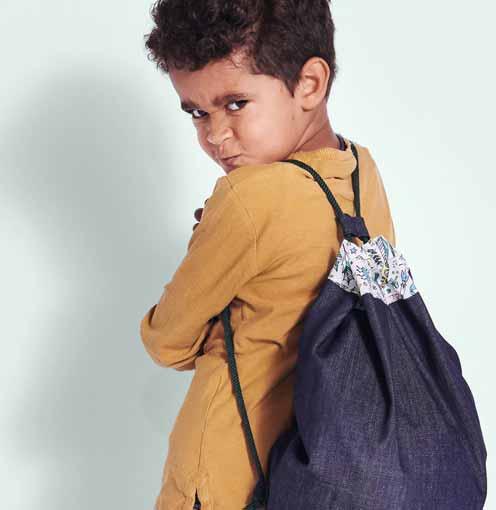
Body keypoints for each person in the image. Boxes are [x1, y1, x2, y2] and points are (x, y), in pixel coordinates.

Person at [139, 1, 396, 509]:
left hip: (227, 478)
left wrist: (214, 244)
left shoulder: (248, 197)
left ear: (310, 83)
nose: (215, 135)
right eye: (197, 112)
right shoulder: (361, 171)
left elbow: (167, 342)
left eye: (235, 104)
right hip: (328, 472)